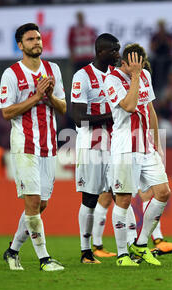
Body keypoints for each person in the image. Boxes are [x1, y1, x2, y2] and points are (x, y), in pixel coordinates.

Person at [0, 23, 66, 272]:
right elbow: (6, 112)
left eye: (38, 38)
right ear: (20, 45)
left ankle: (13, 250)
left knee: (41, 205)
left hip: (49, 144)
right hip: (24, 145)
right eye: (30, 39)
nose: (37, 42)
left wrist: (49, 97)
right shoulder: (11, 74)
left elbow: (63, 108)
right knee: (33, 202)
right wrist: (36, 97)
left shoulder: (53, 69)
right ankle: (44, 259)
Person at [104, 43, 171, 267]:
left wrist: (158, 145)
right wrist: (134, 76)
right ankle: (123, 254)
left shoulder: (144, 76)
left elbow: (149, 109)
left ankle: (141, 245)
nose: (139, 68)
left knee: (163, 192)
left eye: (140, 64)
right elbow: (131, 105)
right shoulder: (111, 80)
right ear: (124, 62)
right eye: (134, 64)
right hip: (124, 148)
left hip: (146, 148)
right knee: (123, 200)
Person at [71, 33, 121, 263]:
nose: (118, 55)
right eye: (114, 51)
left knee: (122, 194)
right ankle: (85, 251)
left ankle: (129, 248)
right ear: (101, 52)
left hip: (117, 143)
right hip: (91, 145)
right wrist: (112, 114)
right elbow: (79, 117)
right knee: (90, 198)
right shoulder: (82, 76)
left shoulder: (118, 75)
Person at [149, 19, 172, 94]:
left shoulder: (169, 36)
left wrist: (165, 40)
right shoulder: (155, 36)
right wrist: (158, 41)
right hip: (157, 58)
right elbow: (152, 48)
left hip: (167, 58)